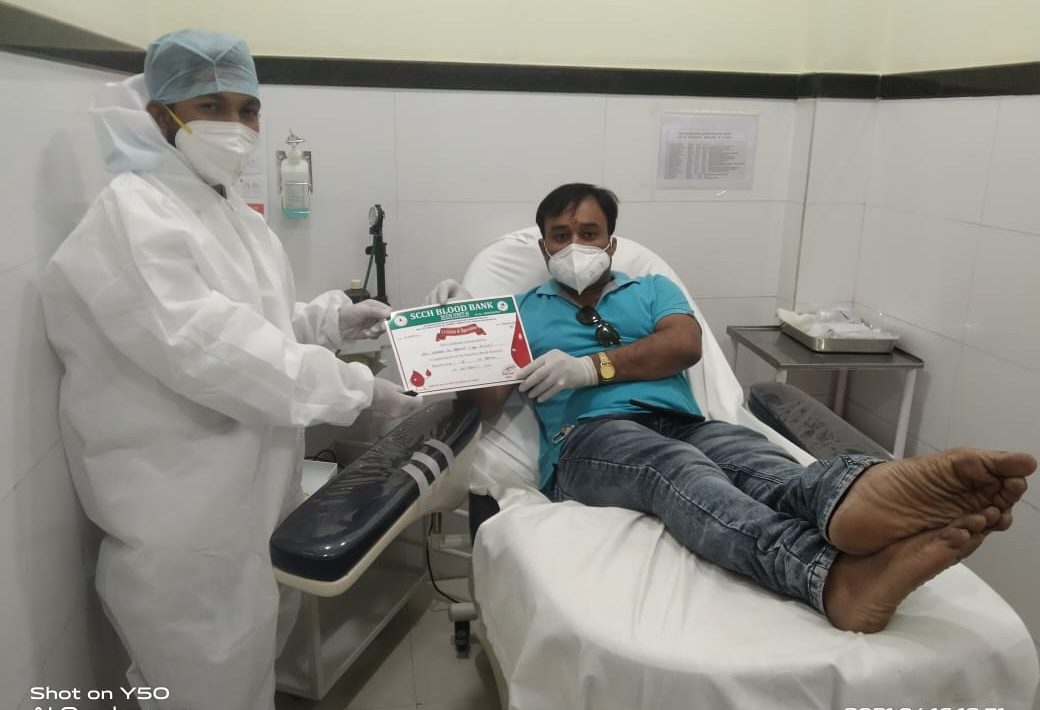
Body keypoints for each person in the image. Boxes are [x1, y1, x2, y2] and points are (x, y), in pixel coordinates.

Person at [427, 182, 1035, 634]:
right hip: (588, 441)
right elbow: (486, 404)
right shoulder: (518, 312)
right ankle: (824, 573)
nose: (575, 245)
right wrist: (458, 329)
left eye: (588, 233)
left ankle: (849, 501)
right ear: (542, 246)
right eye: (561, 236)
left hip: (686, 420)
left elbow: (682, 345)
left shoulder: (652, 289)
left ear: (611, 242)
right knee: (677, 469)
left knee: (756, 459)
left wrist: (592, 367)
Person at [40, 30, 422, 710]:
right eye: (212, 105)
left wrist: (329, 320)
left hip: (250, 499)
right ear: (162, 115)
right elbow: (215, 352)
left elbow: (254, 323)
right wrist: (360, 391)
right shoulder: (132, 216)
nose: (237, 125)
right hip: (184, 519)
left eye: (248, 109)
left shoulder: (222, 208)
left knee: (249, 669)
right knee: (204, 685)